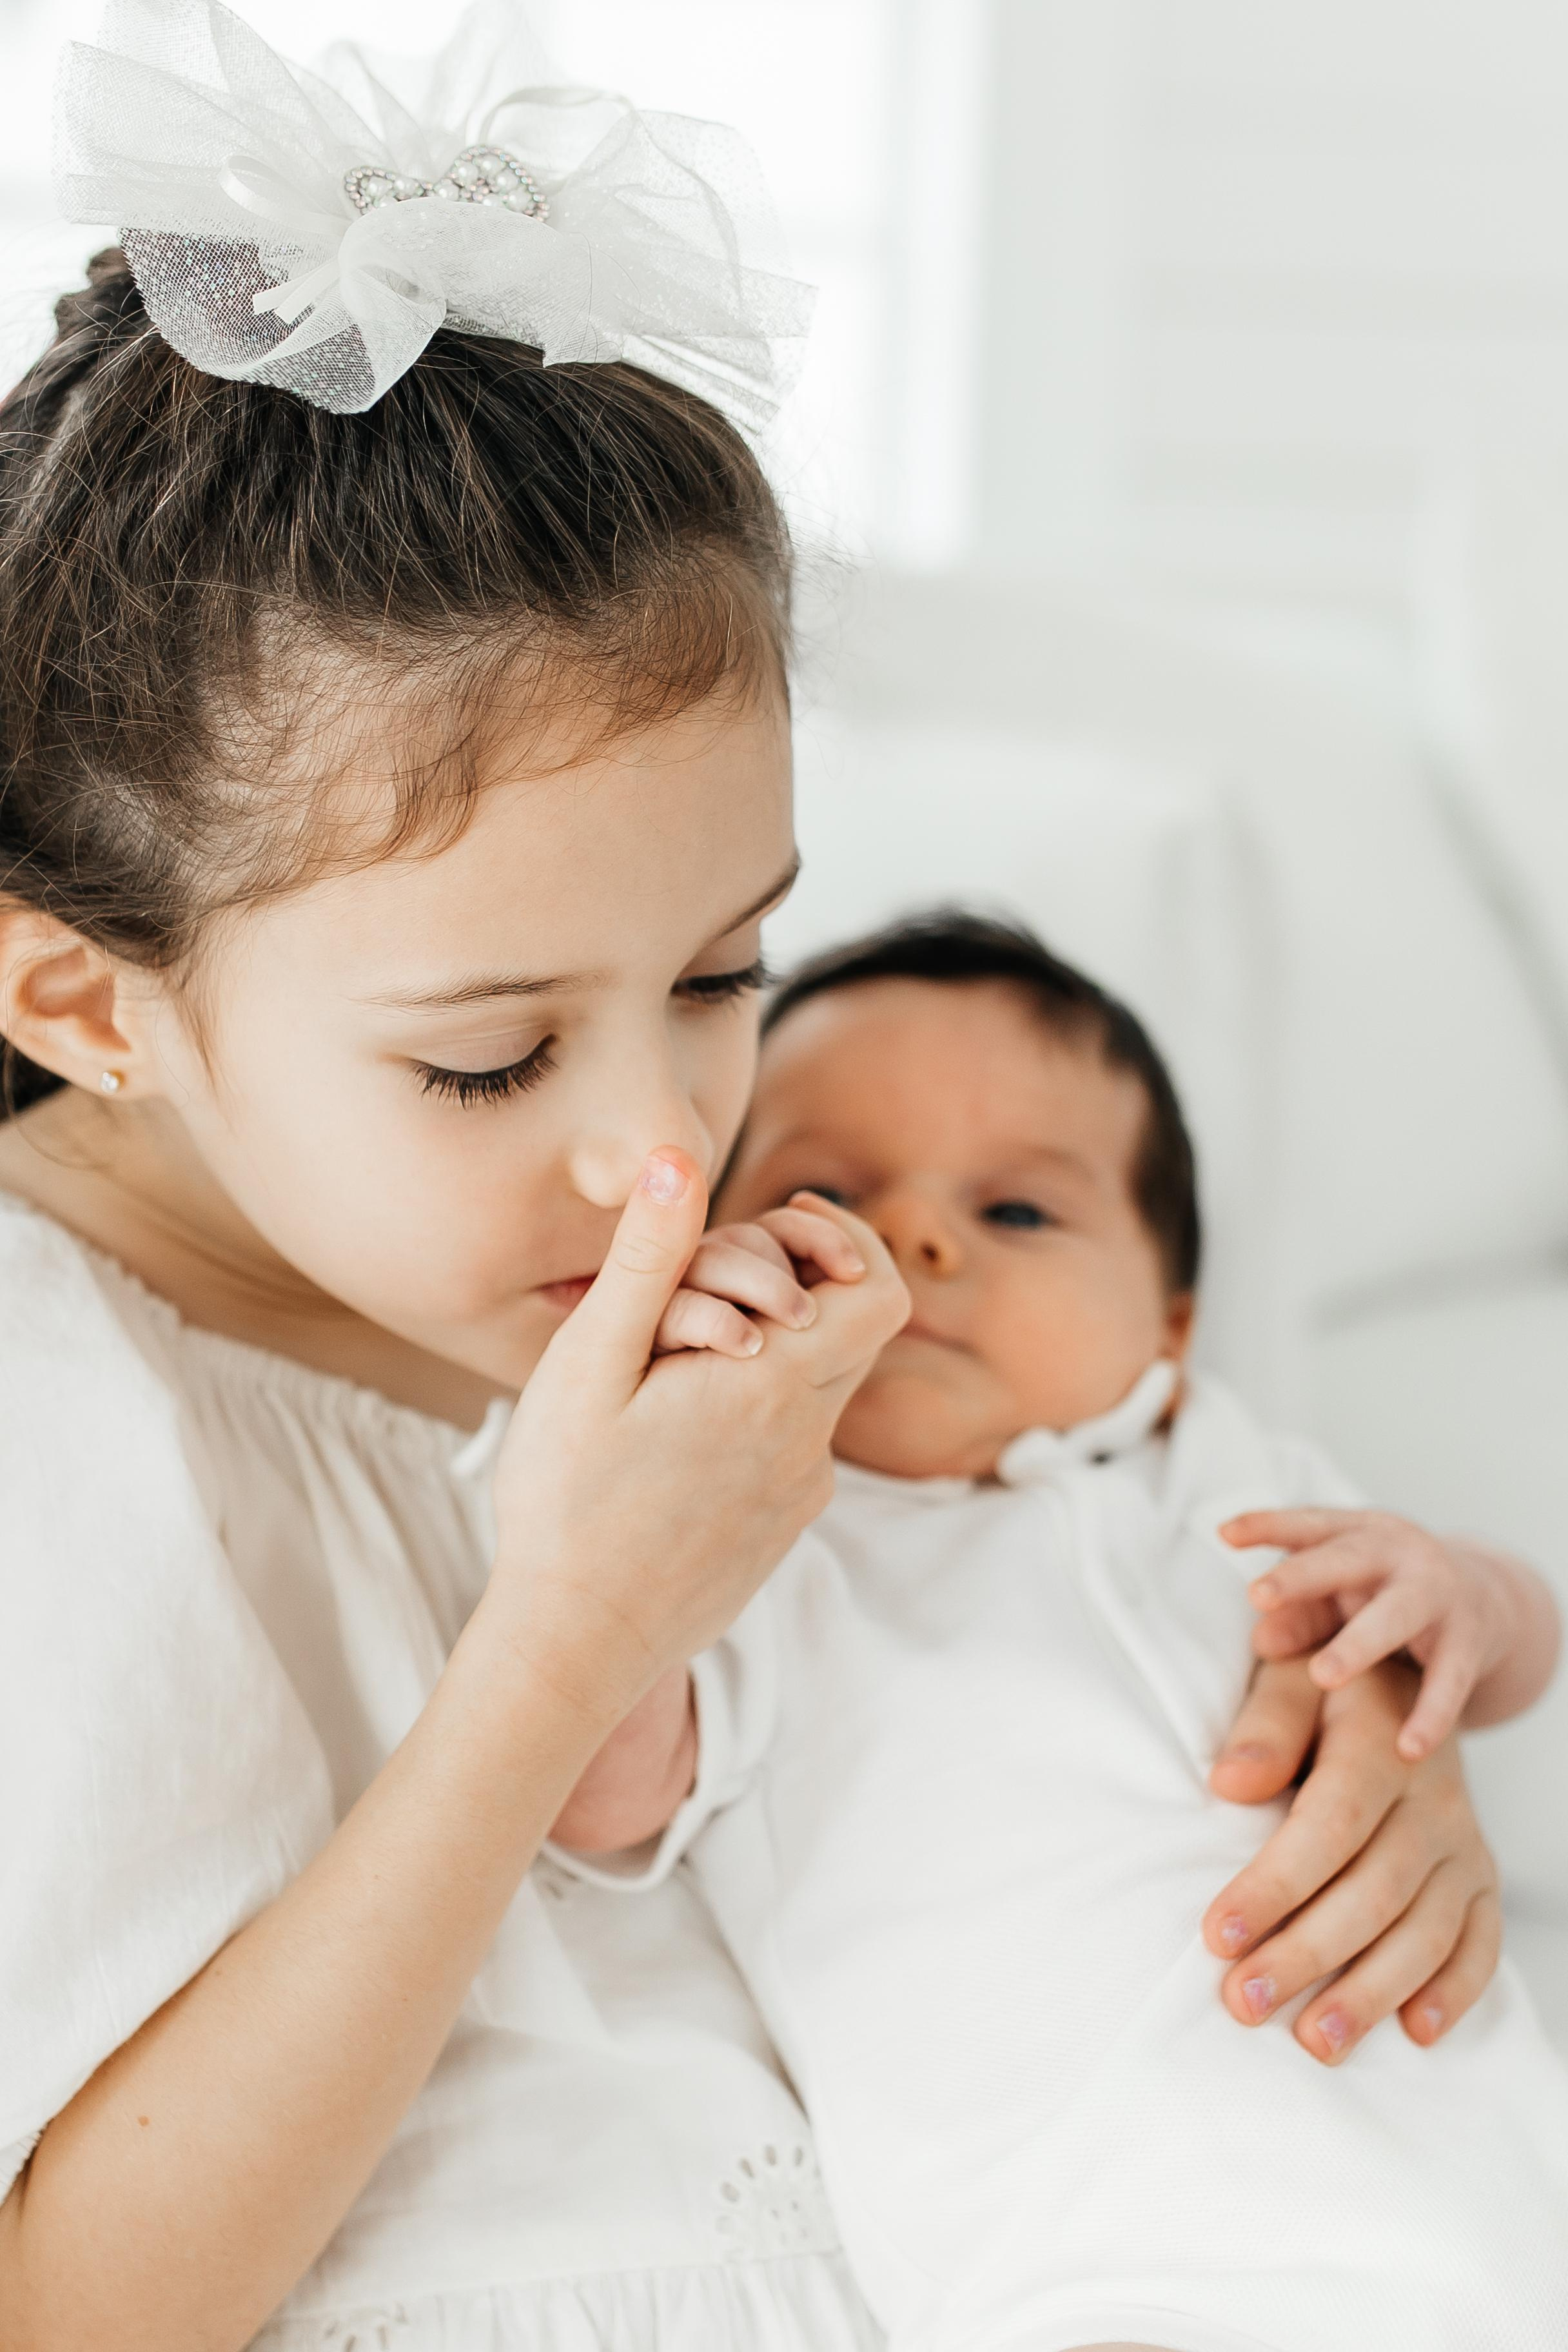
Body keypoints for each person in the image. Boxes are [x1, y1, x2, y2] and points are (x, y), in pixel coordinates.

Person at [0, 8, 1527, 2347]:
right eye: (490, 1052)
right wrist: (562, 1650)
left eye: (727, 970)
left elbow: (1068, 1656)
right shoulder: (59, 1407)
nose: (658, 1155)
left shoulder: (779, 1325)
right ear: (92, 1002)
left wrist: (1323, 1810)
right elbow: (80, 2302)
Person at [553, 912, 1568, 2352]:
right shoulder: (758, 1541)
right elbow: (597, 1791)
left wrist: (1468, 1598)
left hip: (1491, 2211)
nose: (912, 1236)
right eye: (822, 1192)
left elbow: (1509, 1656)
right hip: (1088, 2262)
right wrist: (646, 1451)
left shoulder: (1225, 1468)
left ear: (1168, 1328)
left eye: (1018, 1212)